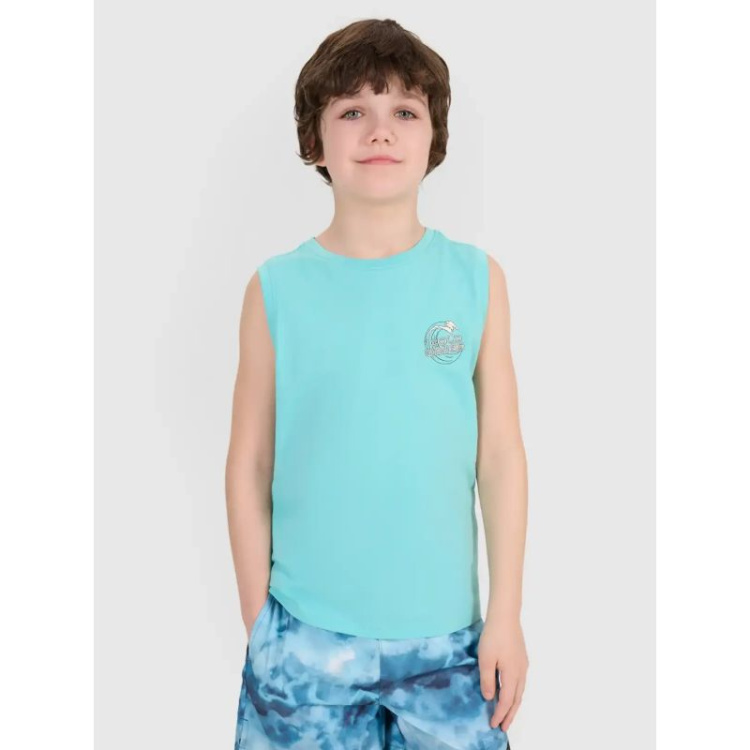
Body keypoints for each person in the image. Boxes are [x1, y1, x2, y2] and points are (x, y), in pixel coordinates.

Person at [225, 17, 528, 749]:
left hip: (449, 645)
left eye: (405, 112)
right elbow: (250, 461)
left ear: (435, 139)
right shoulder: (276, 289)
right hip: (304, 638)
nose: (380, 131)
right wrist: (262, 622)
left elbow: (499, 457)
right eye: (353, 111)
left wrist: (507, 615)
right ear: (315, 141)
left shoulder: (476, 280)